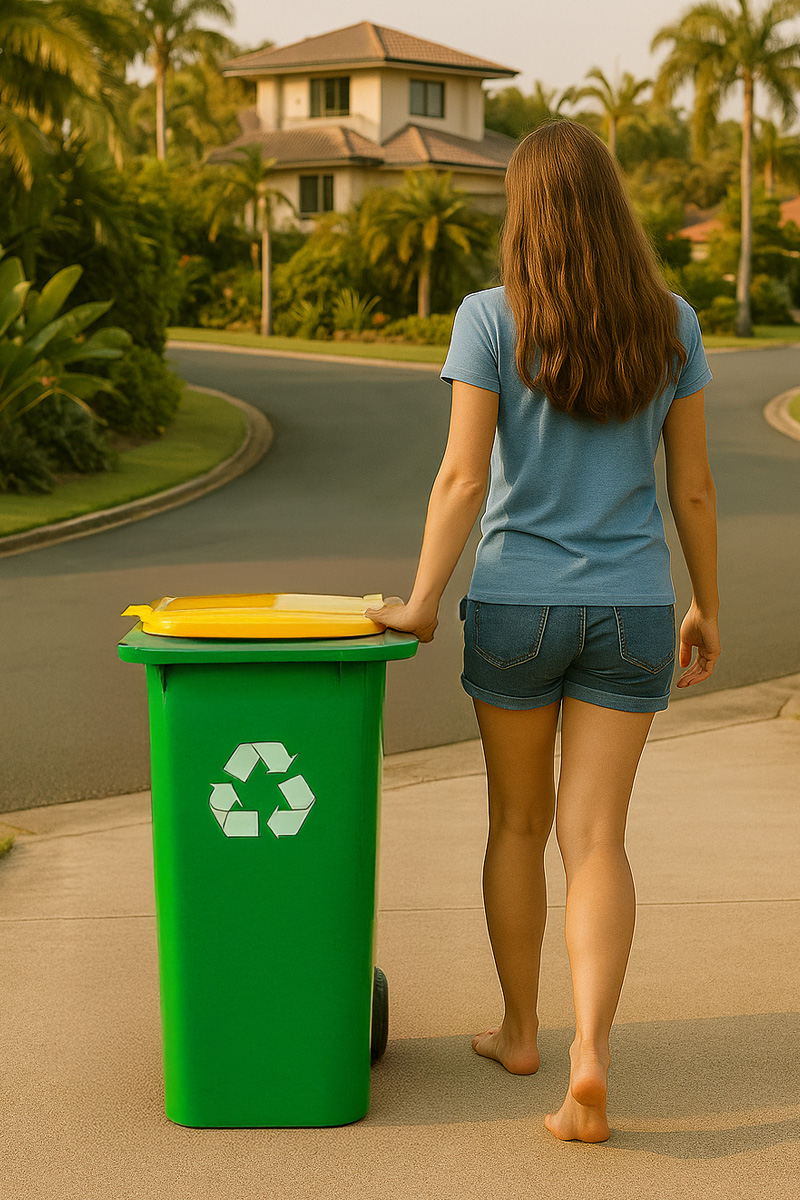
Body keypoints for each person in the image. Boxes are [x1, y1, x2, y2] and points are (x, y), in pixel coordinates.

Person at [363, 119, 721, 1144]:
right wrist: (705, 604)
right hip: (633, 608)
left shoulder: (486, 318)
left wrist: (424, 597)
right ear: (611, 206)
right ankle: (589, 1057)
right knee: (597, 837)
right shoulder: (670, 321)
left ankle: (519, 1031)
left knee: (517, 829)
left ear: (521, 211)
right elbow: (689, 488)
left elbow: (462, 477)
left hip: (516, 604)